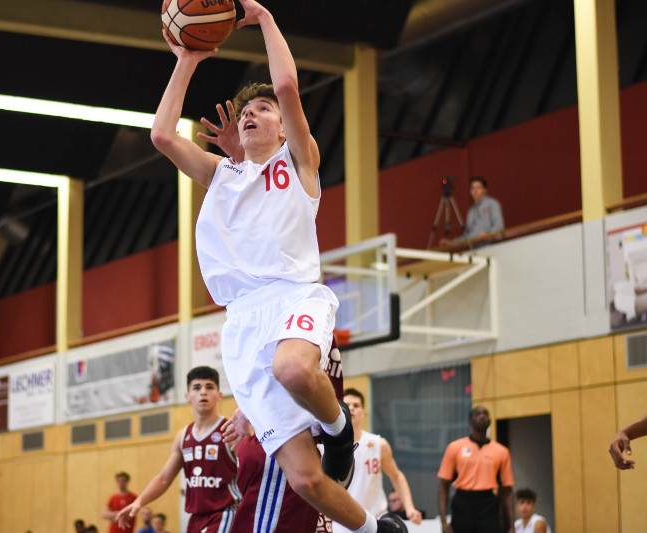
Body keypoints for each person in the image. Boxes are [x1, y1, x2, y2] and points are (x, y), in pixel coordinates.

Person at [148, 1, 405, 532]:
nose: (253, 113)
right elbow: (162, 136)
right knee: (306, 481)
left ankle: (339, 431)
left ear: (284, 130)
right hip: (242, 322)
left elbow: (286, 86)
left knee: (293, 368)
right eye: (247, 112)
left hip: (294, 297)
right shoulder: (221, 175)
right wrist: (187, 58)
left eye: (263, 111)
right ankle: (377, 530)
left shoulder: (298, 163)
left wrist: (262, 17)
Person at [223, 339, 344, 533]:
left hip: (284, 438)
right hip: (279, 442)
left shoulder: (300, 323)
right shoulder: (312, 329)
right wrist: (245, 409)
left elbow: (290, 375)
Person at [118, 367, 239, 533]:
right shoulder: (183, 436)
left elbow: (252, 473)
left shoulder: (230, 430)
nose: (203, 392)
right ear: (187, 397)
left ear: (219, 395)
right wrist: (139, 502)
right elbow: (163, 479)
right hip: (195, 519)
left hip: (225, 514)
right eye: (197, 387)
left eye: (209, 387)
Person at [333, 389, 422, 533]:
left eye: (356, 405)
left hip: (376, 520)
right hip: (341, 524)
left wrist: (409, 507)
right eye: (348, 405)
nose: (352, 409)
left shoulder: (378, 444)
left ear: (363, 412)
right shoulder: (327, 448)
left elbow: (397, 476)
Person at [437, 405, 515, 533]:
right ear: (470, 421)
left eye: (485, 414)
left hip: (488, 503)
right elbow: (443, 486)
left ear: (490, 421)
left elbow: (507, 490)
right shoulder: (455, 447)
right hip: (463, 502)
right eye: (477, 414)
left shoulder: (502, 451)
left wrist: (511, 526)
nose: (482, 416)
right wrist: (444, 522)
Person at [440, 177, 504, 246]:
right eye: (473, 188)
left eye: (478, 188)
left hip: (491, 246)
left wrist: (488, 235)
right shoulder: (471, 211)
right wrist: (453, 242)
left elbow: (499, 225)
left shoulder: (492, 204)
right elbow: (468, 235)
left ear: (484, 190)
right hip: (475, 249)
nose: (475, 191)